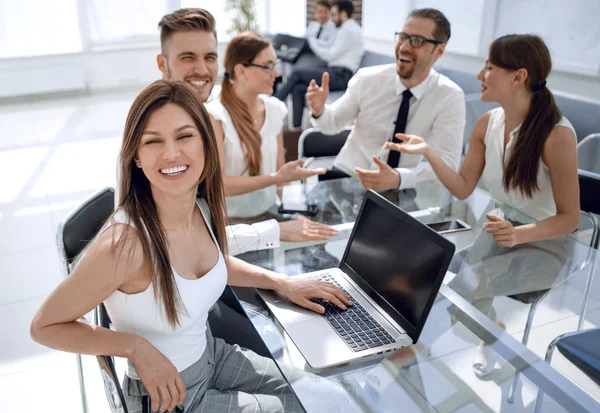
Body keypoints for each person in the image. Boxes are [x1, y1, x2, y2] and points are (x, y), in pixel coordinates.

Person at [30, 81, 353, 412]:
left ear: (205, 145)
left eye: (184, 136)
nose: (171, 153)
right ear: (137, 157)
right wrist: (133, 347)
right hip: (167, 396)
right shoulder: (124, 243)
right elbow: (44, 326)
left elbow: (211, 263)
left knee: (327, 397)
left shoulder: (199, 206)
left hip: (212, 357)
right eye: (153, 142)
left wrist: (281, 282)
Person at [386, 34, 580, 376]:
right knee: (448, 278)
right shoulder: (487, 123)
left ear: (518, 77)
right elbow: (462, 189)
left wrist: (519, 236)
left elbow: (570, 219)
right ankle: (495, 337)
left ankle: (414, 351)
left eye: (489, 67)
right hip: (499, 230)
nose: (479, 75)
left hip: (546, 247)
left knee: (469, 284)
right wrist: (429, 152)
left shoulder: (557, 135)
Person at [156, 8, 338, 253]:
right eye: (187, 57)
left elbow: (280, 179)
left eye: (209, 57)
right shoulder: (202, 120)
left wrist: (295, 209)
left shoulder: (272, 110)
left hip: (252, 223)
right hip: (225, 231)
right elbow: (190, 237)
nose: (201, 68)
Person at [307, 8, 465, 189]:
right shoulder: (367, 79)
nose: (404, 47)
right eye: (403, 37)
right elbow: (331, 123)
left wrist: (400, 178)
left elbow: (448, 164)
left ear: (439, 50)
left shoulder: (449, 97)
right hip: (347, 177)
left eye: (417, 41)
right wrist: (319, 110)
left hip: (402, 190)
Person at [206, 32, 331, 218]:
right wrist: (277, 178)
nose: (276, 73)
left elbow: (281, 180)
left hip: (269, 216)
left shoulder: (274, 110)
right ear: (241, 71)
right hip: (229, 225)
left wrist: (298, 213)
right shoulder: (215, 116)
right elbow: (219, 186)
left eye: (275, 65)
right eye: (268, 66)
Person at [275, 0, 364, 129]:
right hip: (335, 71)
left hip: (341, 75)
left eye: (333, 14)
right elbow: (329, 49)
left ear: (343, 14)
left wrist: (311, 43)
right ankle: (296, 130)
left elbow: (330, 55)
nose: (331, 19)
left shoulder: (349, 30)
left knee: (297, 73)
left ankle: (272, 104)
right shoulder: (345, 29)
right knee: (298, 88)